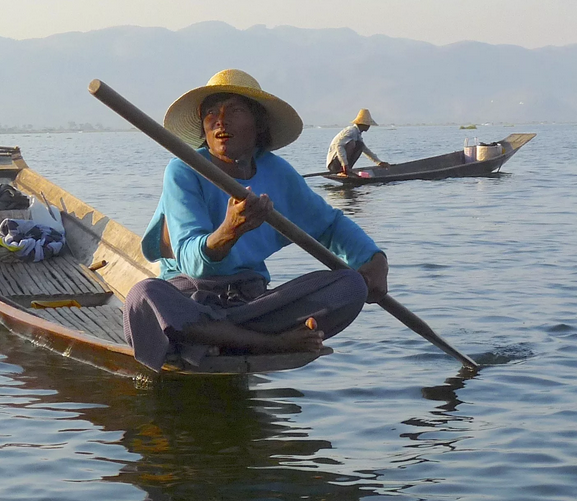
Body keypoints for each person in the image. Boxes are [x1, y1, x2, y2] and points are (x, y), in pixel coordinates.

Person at [123, 69, 389, 371]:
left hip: (250, 304)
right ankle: (269, 342)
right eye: (211, 113)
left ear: (258, 125)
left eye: (233, 111)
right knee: (143, 295)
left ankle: (222, 338)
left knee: (350, 284)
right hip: (192, 299)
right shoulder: (183, 171)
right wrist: (229, 231)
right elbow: (190, 261)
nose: (220, 121)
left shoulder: (278, 173)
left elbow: (328, 225)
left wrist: (375, 260)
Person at [325, 109, 390, 176]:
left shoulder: (357, 134)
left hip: (342, 163)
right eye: (368, 124)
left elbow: (365, 150)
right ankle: (344, 169)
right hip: (333, 164)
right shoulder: (351, 131)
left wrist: (379, 162)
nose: (369, 126)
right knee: (352, 143)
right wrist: (344, 163)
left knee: (360, 145)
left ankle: (347, 169)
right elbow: (339, 146)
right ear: (363, 124)